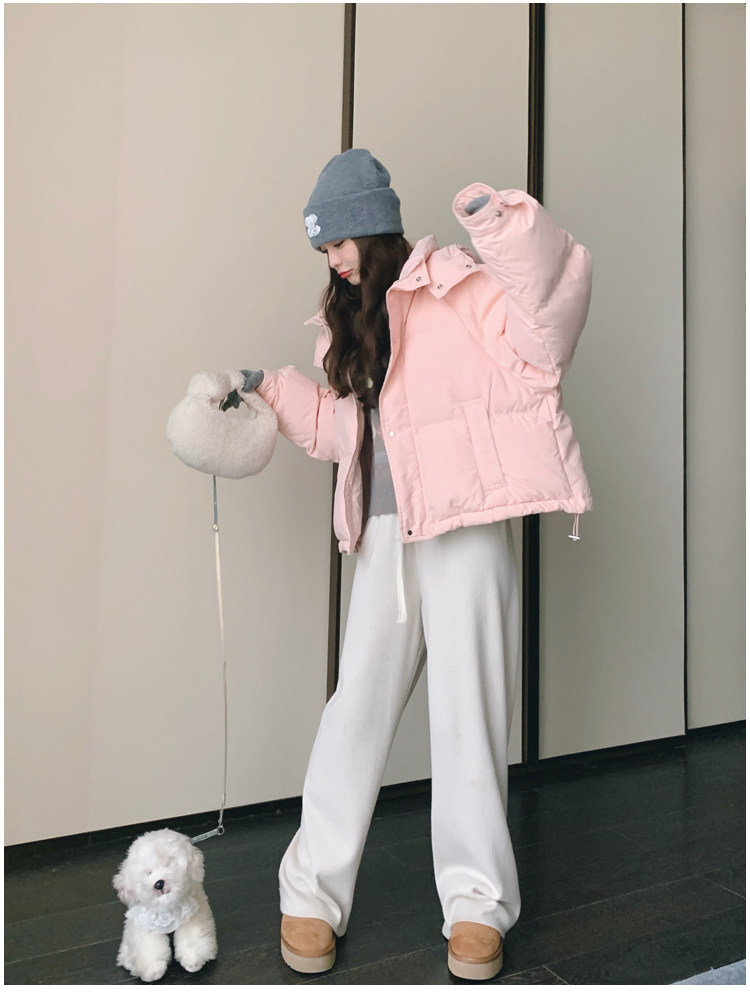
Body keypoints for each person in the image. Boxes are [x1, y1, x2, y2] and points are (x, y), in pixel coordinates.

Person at [225, 148, 592, 980]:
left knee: (470, 714)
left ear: (371, 226)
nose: (332, 260)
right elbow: (349, 437)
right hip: (390, 535)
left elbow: (547, 326)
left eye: (337, 242)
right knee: (356, 708)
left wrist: (503, 227)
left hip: (467, 525)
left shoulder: (458, 285)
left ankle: (476, 907)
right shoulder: (352, 320)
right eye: (323, 249)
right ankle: (312, 891)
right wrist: (270, 388)